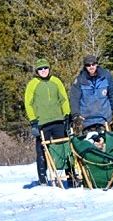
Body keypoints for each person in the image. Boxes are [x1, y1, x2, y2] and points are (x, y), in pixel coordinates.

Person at [23, 58, 71, 188]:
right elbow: (28, 103)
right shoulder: (33, 84)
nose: (43, 71)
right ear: (37, 71)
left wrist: (67, 115)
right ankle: (43, 178)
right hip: (42, 122)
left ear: (49, 69)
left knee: (63, 148)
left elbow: (64, 99)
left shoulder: (56, 81)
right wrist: (33, 121)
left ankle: (70, 176)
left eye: (45, 68)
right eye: (40, 69)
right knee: (41, 150)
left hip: (58, 120)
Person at [69, 55, 113, 133]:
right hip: (86, 121)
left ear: (97, 64)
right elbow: (74, 99)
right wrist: (76, 115)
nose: (91, 67)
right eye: (88, 65)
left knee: (107, 143)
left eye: (93, 64)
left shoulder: (106, 77)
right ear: (85, 66)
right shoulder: (80, 80)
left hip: (105, 120)